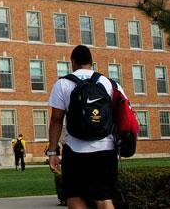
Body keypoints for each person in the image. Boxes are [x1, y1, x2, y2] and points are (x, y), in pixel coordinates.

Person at [48, 45, 121, 209]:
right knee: (104, 198)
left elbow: (56, 120)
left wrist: (53, 152)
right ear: (91, 62)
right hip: (106, 148)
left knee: (74, 198)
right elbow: (121, 114)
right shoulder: (108, 83)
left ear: (72, 62)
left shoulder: (63, 84)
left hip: (75, 150)